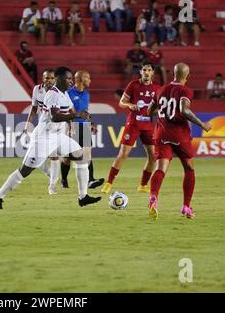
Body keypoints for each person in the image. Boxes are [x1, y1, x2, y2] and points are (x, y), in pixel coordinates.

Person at [0, 67, 101, 209]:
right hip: (43, 137)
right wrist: (76, 115)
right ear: (59, 79)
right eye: (68, 79)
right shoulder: (52, 94)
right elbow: (55, 117)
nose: (71, 82)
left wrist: (89, 123)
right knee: (25, 170)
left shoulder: (64, 94)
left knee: (81, 156)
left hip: (57, 136)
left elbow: (72, 111)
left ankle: (83, 197)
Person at [147, 63, 212, 219]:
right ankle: (186, 207)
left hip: (161, 133)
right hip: (179, 134)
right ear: (188, 77)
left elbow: (150, 111)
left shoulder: (160, 90)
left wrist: (163, 109)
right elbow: (184, 110)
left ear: (173, 75)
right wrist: (202, 124)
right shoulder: (185, 90)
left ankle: (154, 197)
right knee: (189, 169)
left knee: (161, 168)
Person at [101, 62, 160, 195]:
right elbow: (121, 103)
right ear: (141, 71)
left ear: (152, 73)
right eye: (144, 69)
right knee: (123, 154)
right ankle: (109, 183)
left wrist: (156, 111)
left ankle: (143, 185)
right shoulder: (133, 85)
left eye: (149, 70)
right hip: (133, 124)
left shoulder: (157, 88)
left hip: (148, 126)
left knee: (152, 156)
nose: (146, 72)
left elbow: (160, 107)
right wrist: (130, 105)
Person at [61, 70, 105, 190]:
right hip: (71, 126)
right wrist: (68, 126)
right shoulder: (67, 93)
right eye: (88, 78)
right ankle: (63, 179)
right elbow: (64, 111)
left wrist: (91, 123)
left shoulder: (86, 94)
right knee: (67, 158)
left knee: (87, 153)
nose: (90, 80)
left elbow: (85, 112)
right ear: (80, 79)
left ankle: (90, 180)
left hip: (84, 126)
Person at [23, 69, 60, 194]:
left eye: (51, 78)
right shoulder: (36, 89)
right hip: (41, 126)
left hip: (55, 127)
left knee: (53, 155)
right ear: (42, 79)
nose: (48, 80)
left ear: (55, 79)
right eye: (46, 78)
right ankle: (50, 174)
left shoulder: (57, 92)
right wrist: (28, 123)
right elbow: (34, 108)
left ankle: (52, 186)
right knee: (37, 156)